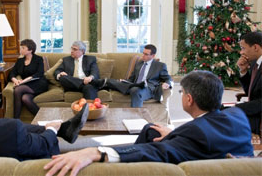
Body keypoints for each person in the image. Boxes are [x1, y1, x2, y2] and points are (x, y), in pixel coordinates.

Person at [43, 70, 253, 176]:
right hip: (209, 156)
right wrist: (173, 133)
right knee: (150, 129)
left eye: (182, 93)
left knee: (146, 143)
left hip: (179, 163)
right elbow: (204, 137)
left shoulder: (194, 133)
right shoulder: (237, 116)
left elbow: (156, 152)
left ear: (189, 99)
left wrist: (98, 152)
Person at [98, 44, 172, 107]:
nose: (143, 56)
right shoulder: (139, 64)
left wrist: (167, 83)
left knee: (135, 90)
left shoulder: (160, 65)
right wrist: (124, 82)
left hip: (147, 88)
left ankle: (135, 116)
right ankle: (100, 84)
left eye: (146, 54)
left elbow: (168, 78)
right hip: (134, 85)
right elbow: (131, 79)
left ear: (153, 56)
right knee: (110, 81)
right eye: (143, 53)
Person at [7, 39, 48, 118]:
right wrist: (15, 80)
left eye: (23, 48)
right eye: (21, 47)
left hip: (39, 83)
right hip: (26, 84)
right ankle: (43, 118)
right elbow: (12, 73)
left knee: (18, 89)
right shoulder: (20, 61)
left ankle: (16, 120)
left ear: (30, 50)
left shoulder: (38, 59)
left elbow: (39, 74)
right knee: (25, 98)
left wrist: (23, 81)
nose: (20, 49)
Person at [236, 31, 262, 135]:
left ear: (255, 47)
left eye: (243, 48)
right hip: (255, 112)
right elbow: (251, 92)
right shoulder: (255, 64)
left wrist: (236, 108)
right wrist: (243, 71)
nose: (241, 52)